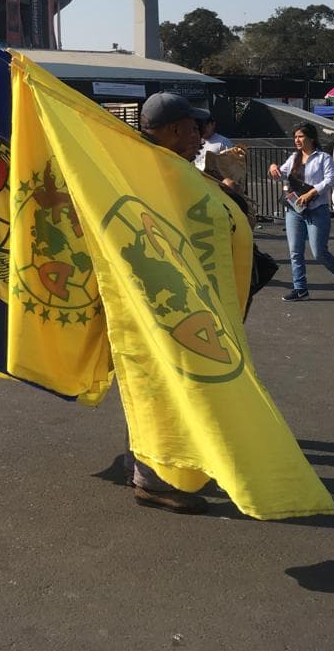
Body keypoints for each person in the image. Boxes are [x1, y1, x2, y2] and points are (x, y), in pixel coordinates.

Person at [124, 92, 215, 513]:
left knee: (164, 386)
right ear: (175, 129)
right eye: (194, 128)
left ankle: (165, 467)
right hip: (158, 302)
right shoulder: (153, 168)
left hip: (168, 300)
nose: (200, 136)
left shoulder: (156, 164)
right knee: (158, 387)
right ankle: (154, 477)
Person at [268, 122, 334, 301]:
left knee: (319, 252)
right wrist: (273, 168)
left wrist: (312, 192)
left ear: (311, 138)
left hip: (317, 209)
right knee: (295, 251)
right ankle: (300, 288)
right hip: (295, 210)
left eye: (300, 136)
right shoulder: (293, 158)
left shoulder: (323, 158)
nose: (297, 140)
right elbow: (281, 174)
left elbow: (331, 178)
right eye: (295, 137)